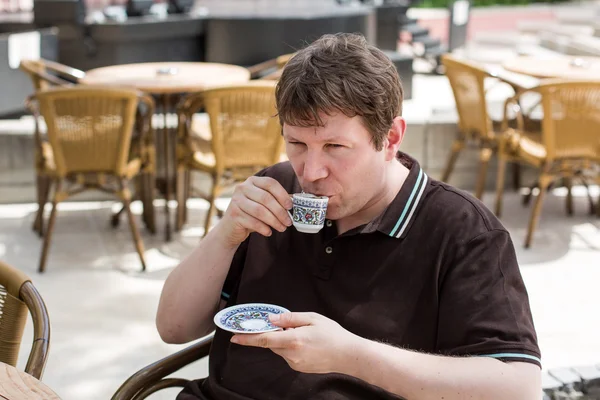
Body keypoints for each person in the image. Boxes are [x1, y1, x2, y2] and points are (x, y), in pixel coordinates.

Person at [156, 33, 541, 400]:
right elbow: (173, 328)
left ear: (390, 139)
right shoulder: (273, 190)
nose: (310, 171)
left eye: (335, 146)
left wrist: (353, 357)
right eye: (296, 144)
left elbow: (519, 388)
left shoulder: (462, 230)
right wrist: (226, 234)